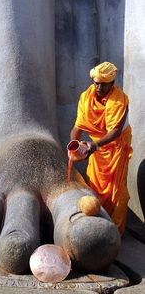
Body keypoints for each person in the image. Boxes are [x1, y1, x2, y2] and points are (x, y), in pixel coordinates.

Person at [70, 62, 133, 235]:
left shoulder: (118, 100)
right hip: (96, 149)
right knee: (94, 185)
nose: (99, 87)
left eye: (103, 83)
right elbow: (78, 126)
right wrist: (73, 148)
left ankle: (116, 233)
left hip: (115, 148)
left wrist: (95, 145)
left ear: (112, 84)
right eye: (96, 82)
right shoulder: (86, 97)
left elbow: (115, 131)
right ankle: (99, 225)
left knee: (117, 191)